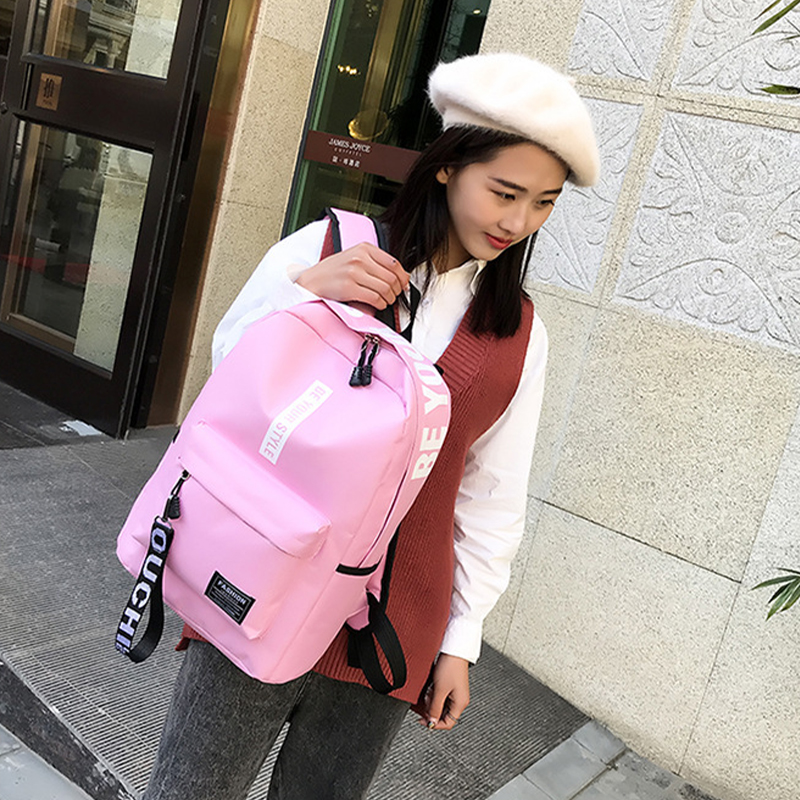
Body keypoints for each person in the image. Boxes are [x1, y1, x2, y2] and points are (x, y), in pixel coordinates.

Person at [141, 52, 600, 800]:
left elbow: (491, 497)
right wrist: (307, 298)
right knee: (190, 790)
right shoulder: (329, 249)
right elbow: (229, 379)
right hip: (265, 587)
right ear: (448, 165)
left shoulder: (517, 332)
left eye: (543, 203)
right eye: (505, 192)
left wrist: (461, 640)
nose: (519, 222)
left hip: (394, 624)